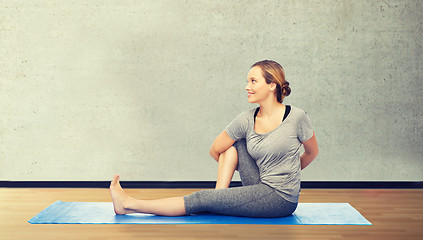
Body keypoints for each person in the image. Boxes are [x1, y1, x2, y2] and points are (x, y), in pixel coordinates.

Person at [110, 60, 319, 217]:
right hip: (259, 182)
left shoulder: (297, 117)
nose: (247, 86)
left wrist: (289, 172)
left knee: (200, 198)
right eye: (247, 81)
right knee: (234, 145)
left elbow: (312, 152)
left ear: (272, 85)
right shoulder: (246, 119)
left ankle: (128, 204)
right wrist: (222, 194)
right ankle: (219, 196)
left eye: (253, 81)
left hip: (280, 197)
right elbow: (215, 150)